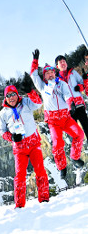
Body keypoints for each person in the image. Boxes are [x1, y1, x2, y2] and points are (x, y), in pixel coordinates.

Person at [29, 49, 84, 179]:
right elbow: (33, 74)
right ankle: (62, 167)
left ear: (55, 73)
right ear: (44, 76)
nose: (50, 74)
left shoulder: (62, 84)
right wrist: (35, 61)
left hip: (65, 118)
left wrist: (71, 104)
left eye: (51, 72)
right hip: (54, 121)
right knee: (58, 144)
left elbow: (68, 95)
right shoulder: (43, 87)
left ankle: (75, 157)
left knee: (80, 135)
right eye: (47, 73)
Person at [0, 82, 50, 208]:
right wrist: (12, 137)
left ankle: (44, 199)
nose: (11, 97)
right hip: (19, 148)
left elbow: (38, 103)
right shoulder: (3, 113)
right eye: (8, 95)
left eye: (13, 94)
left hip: (33, 143)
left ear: (17, 95)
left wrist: (31, 92)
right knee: (20, 175)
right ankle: (19, 205)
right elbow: (2, 131)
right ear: (5, 98)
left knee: (40, 170)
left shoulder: (26, 102)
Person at [55, 55, 88, 139]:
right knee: (74, 133)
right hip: (69, 109)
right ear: (57, 66)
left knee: (86, 126)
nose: (63, 63)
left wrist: (79, 87)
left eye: (64, 61)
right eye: (60, 62)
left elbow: (83, 83)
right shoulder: (57, 80)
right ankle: (77, 150)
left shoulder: (73, 72)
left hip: (79, 104)